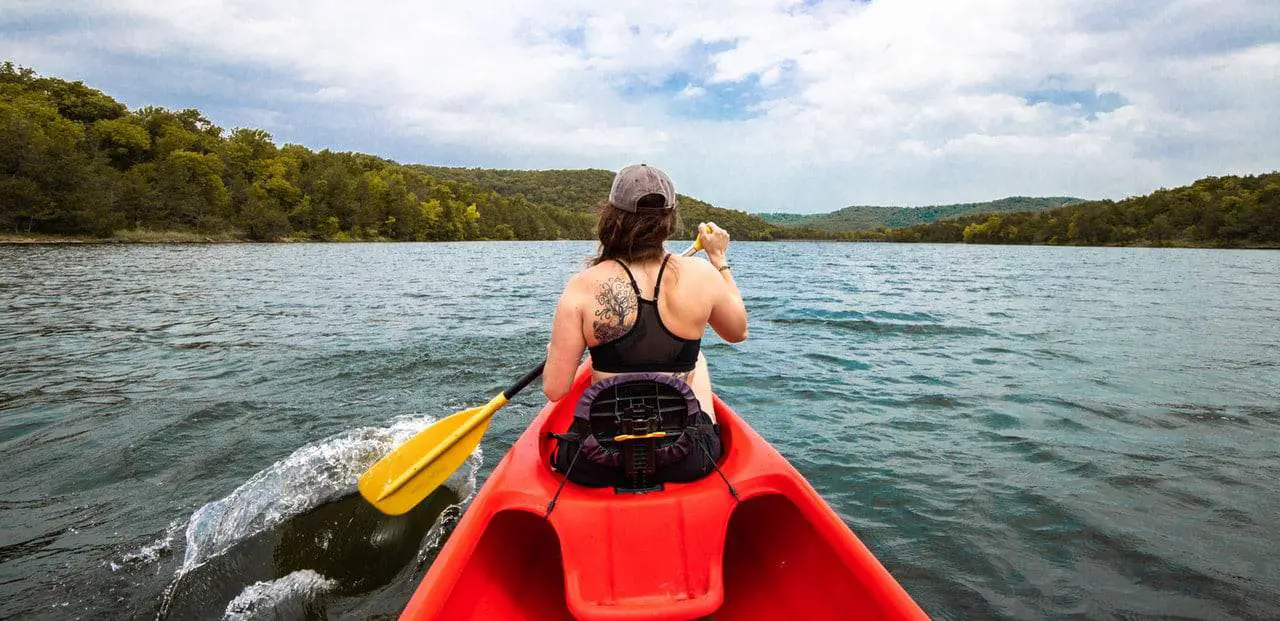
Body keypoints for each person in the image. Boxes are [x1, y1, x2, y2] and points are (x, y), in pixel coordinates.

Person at [544, 163, 748, 417]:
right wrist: (718, 258)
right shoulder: (703, 274)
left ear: (611, 217)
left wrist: (556, 351)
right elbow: (737, 331)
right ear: (669, 220)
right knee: (699, 361)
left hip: (608, 450)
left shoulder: (583, 284)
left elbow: (555, 389)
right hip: (682, 450)